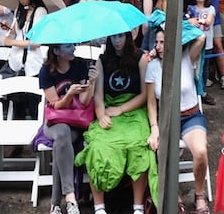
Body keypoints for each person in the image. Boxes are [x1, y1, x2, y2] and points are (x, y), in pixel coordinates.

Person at [75, 33, 157, 214]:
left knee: (139, 146)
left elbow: (145, 94)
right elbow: (98, 95)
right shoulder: (102, 60)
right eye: (113, 38)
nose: (117, 41)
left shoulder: (141, 58)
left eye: (120, 36)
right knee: (97, 146)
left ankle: (137, 206)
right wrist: (100, 113)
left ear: (128, 37)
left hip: (133, 112)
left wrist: (121, 109)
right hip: (108, 109)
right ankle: (99, 206)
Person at [145, 28, 210, 214]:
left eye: (163, 42)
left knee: (200, 151)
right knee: (161, 152)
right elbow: (151, 103)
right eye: (156, 42)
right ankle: (173, 193)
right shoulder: (153, 66)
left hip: (190, 115)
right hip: (166, 118)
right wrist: (154, 127)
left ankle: (199, 194)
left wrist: (173, 24)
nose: (158, 46)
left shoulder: (186, 57)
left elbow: (201, 36)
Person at [40, 43, 95, 214]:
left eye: (73, 45)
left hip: (75, 121)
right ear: (56, 51)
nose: (73, 49)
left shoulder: (79, 65)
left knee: (60, 145)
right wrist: (69, 94)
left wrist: (92, 82)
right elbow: (56, 105)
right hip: (54, 122)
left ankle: (55, 204)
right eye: (68, 46)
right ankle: (70, 197)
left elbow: (85, 101)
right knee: (62, 135)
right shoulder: (46, 71)